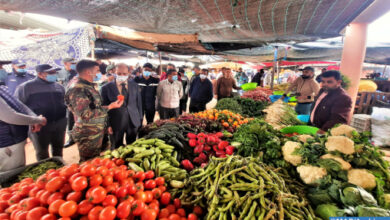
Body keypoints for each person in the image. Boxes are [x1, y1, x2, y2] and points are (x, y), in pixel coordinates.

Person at [65, 60, 123, 162]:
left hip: (96, 130)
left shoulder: (86, 84)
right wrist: (109, 107)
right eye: (97, 70)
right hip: (88, 134)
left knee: (97, 159)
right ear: (88, 72)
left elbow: (93, 106)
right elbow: (85, 114)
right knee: (89, 162)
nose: (99, 73)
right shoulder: (78, 89)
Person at [15, 64, 67, 161]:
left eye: (55, 72)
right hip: (40, 125)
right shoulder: (26, 87)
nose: (54, 74)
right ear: (40, 74)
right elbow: (19, 106)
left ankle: (59, 169)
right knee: (42, 152)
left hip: (60, 123)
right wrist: (32, 120)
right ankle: (46, 173)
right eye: (50, 73)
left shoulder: (59, 86)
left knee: (58, 148)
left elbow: (64, 102)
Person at [0, 85, 47, 171]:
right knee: (13, 175)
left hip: (16, 138)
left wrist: (34, 118)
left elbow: (19, 105)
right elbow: (11, 116)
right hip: (8, 144)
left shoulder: (2, 88)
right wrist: (39, 120)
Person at [101, 63, 143, 148]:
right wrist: (107, 125)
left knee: (132, 146)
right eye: (119, 73)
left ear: (128, 73)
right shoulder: (106, 88)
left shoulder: (134, 85)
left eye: (124, 74)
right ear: (114, 72)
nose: (122, 76)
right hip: (115, 123)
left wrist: (140, 120)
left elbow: (139, 104)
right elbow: (103, 107)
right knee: (116, 148)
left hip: (133, 121)